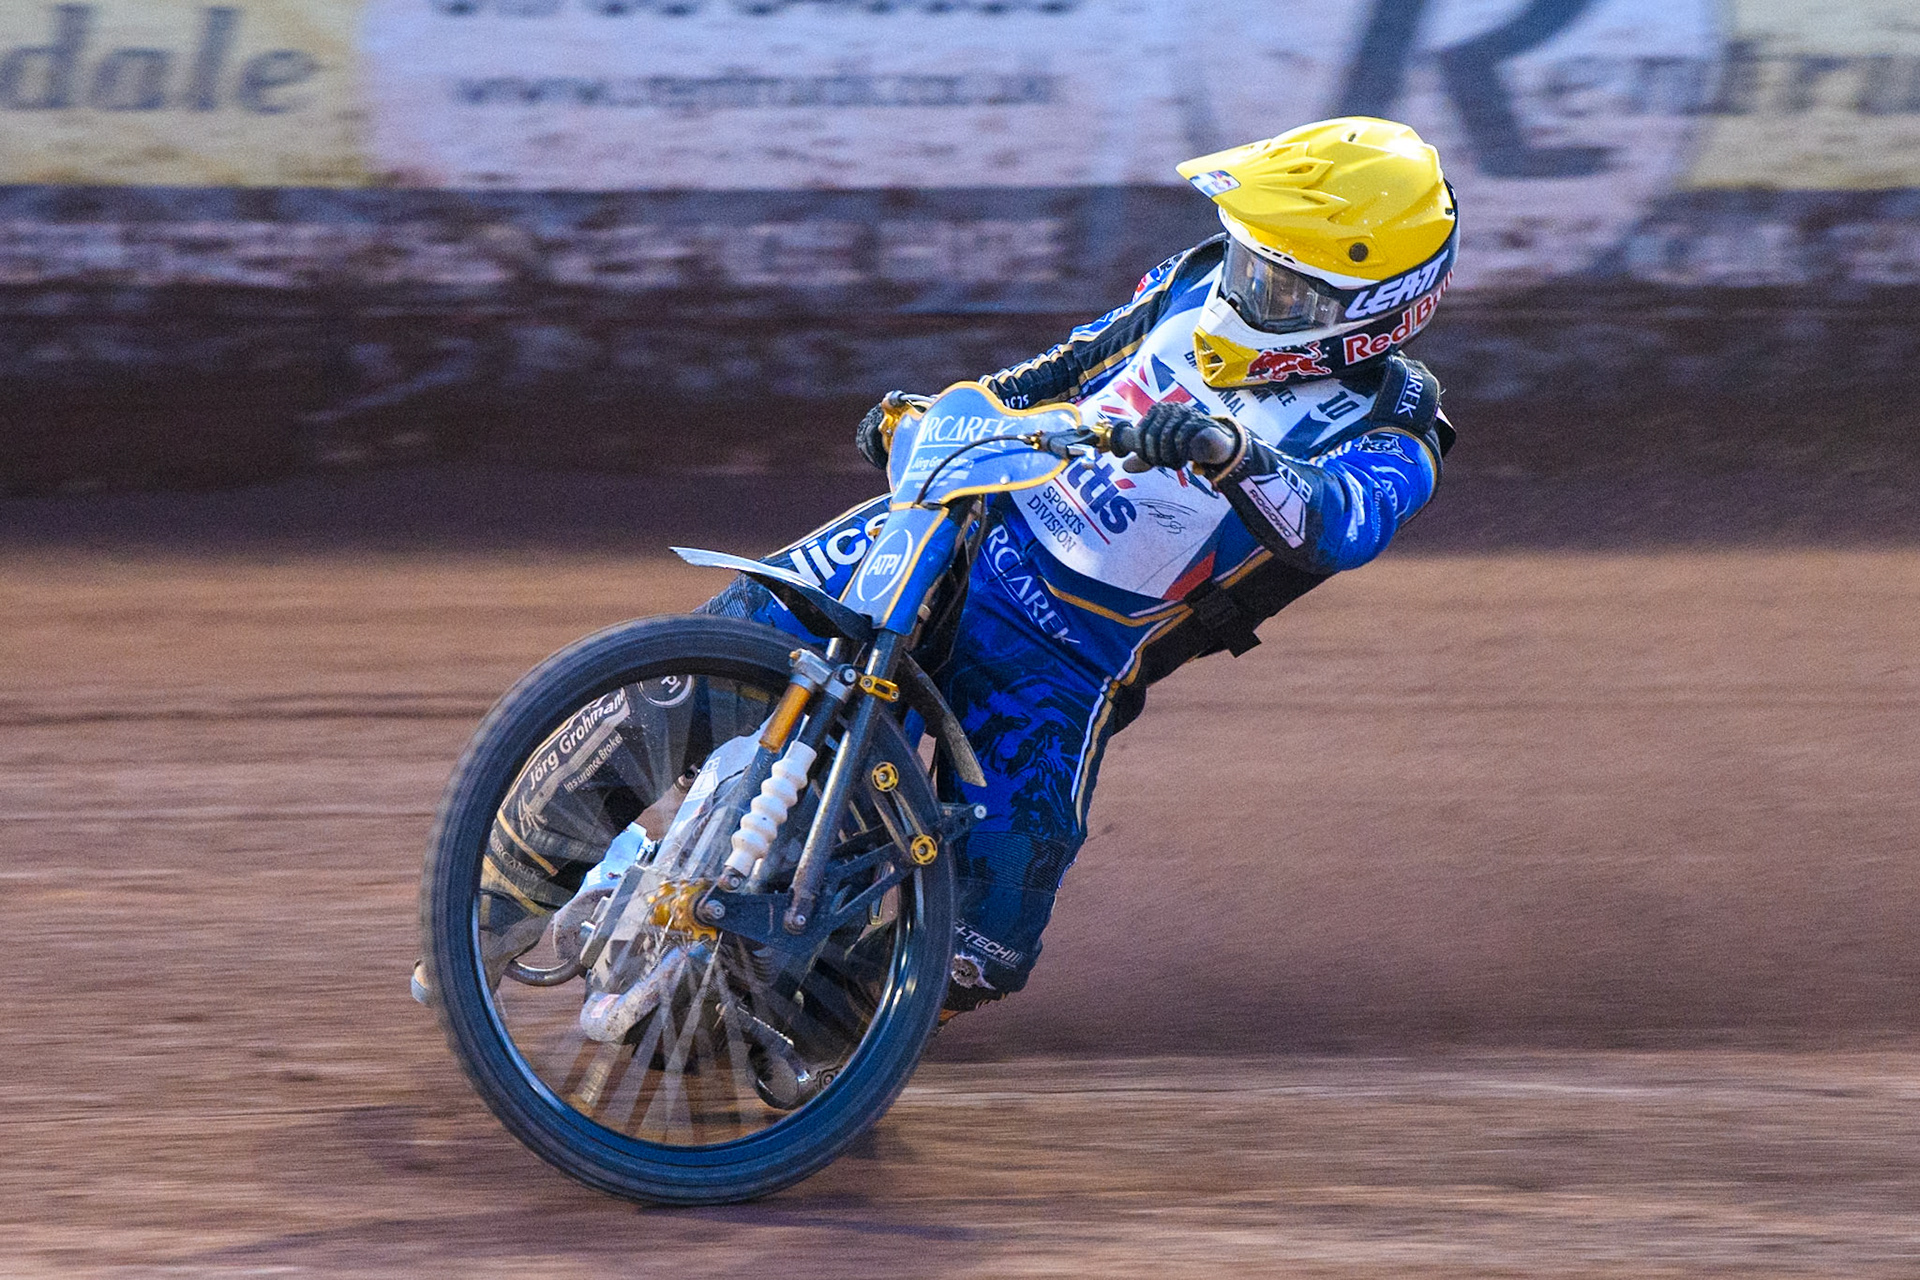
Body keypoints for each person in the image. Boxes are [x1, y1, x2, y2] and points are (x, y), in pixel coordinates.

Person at [700, 116, 1459, 1015]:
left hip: (1062, 665)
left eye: (1283, 284)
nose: (1246, 288)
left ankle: (815, 1029)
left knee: (983, 948)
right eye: (1251, 259)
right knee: (715, 652)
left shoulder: (1397, 427)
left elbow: (1338, 525)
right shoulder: (1194, 278)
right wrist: (937, 418)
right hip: (963, 536)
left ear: (1374, 309)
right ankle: (542, 855)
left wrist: (1229, 452)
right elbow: (1054, 371)